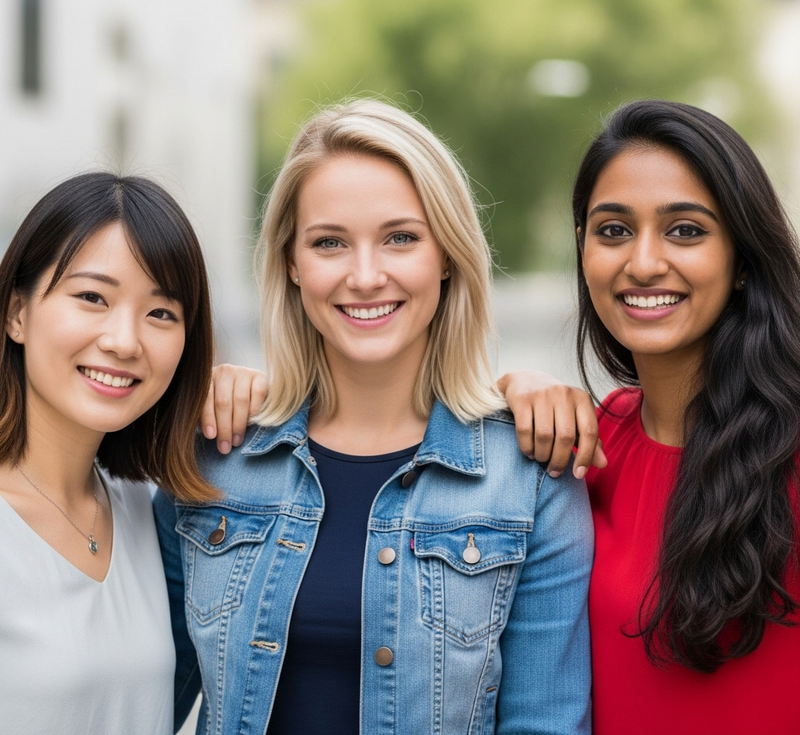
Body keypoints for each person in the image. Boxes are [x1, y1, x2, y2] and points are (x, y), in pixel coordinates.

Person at [155, 98, 593, 734]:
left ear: (446, 255)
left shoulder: (530, 478)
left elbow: (545, 724)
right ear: (292, 264)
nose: (365, 275)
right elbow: (131, 694)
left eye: (401, 238)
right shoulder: (210, 458)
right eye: (329, 242)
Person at [505, 99, 800, 735]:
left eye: (685, 230)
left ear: (743, 258)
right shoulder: (588, 444)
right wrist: (511, 390)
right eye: (613, 230)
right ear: (583, 253)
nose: (642, 262)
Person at [0, 172, 219, 734]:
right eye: (92, 297)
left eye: (161, 313)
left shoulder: (153, 513)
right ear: (16, 313)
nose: (124, 341)